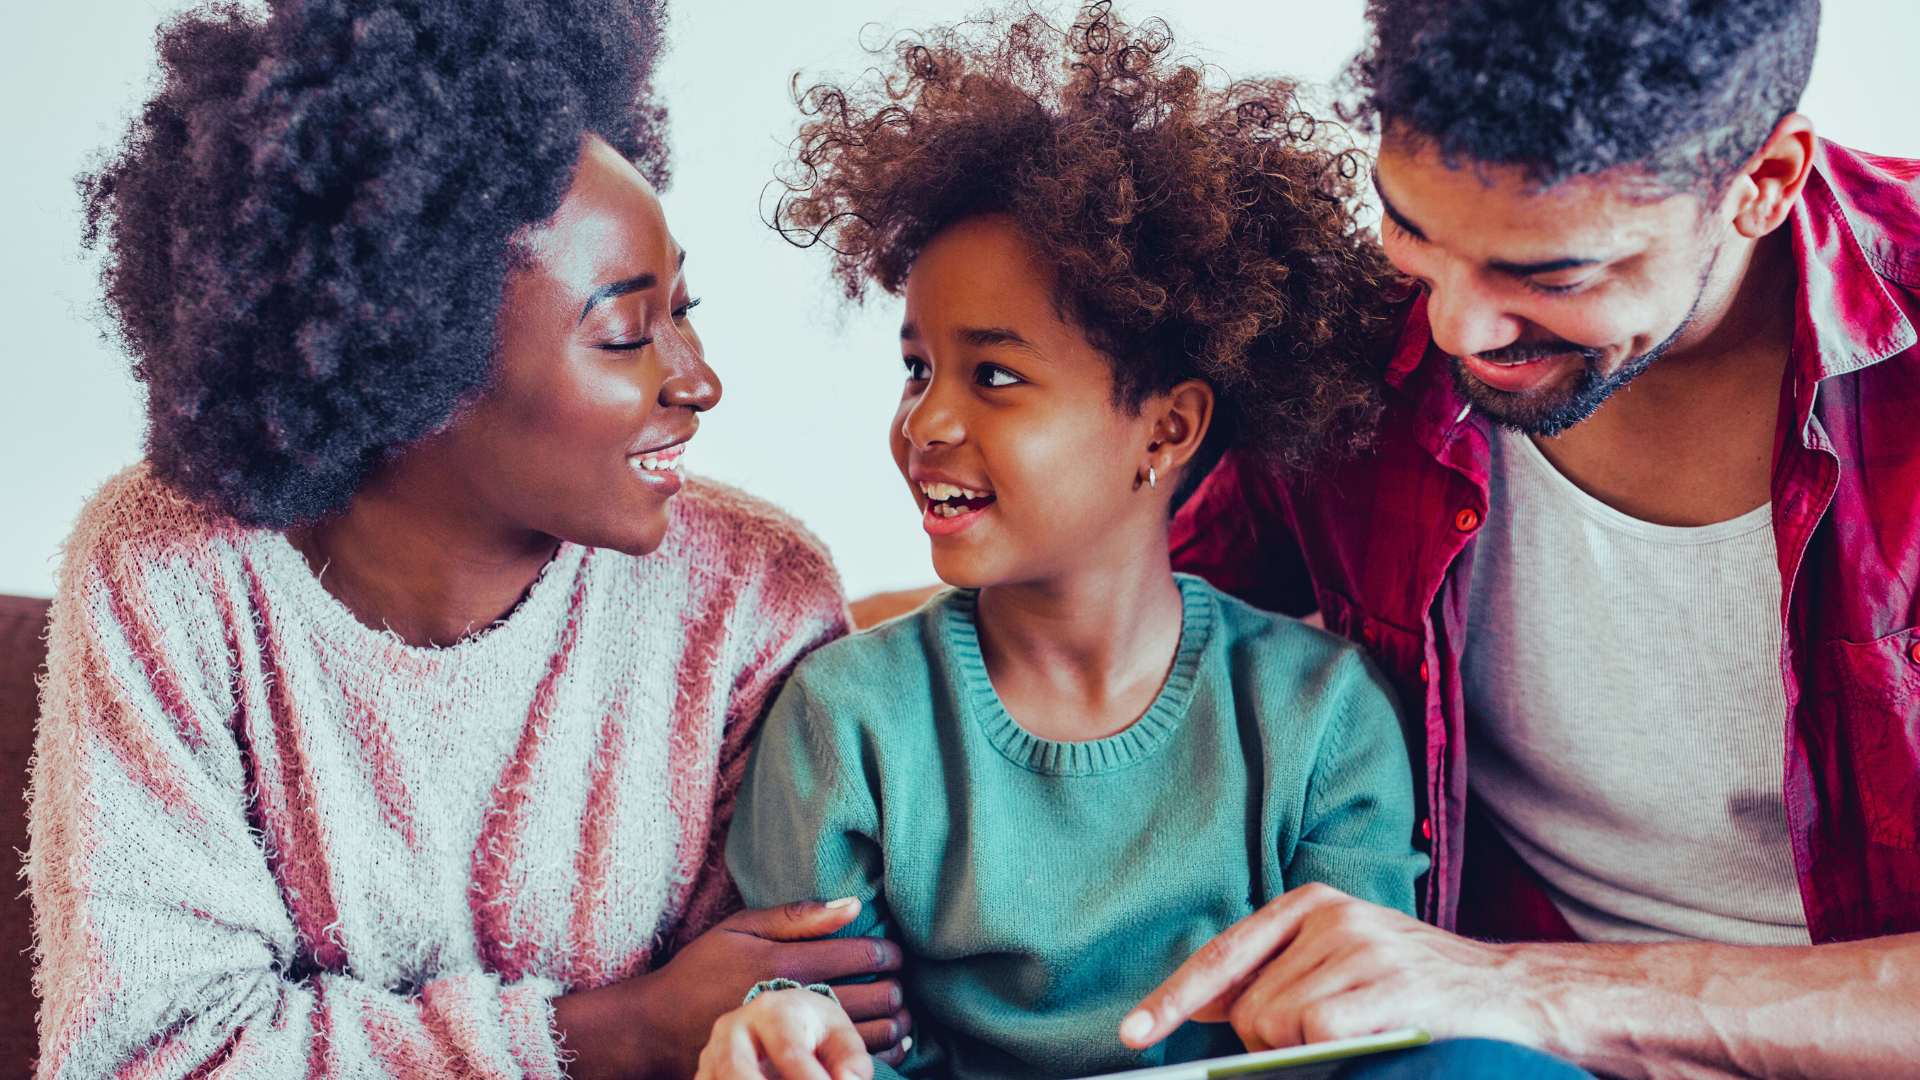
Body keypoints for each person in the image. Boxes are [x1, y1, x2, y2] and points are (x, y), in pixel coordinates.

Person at [693, 8, 1584, 1080]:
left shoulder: (1322, 717)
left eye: (997, 376)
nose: (927, 423)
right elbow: (819, 1021)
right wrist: (785, 1028)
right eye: (918, 368)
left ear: (1167, 429)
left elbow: (1363, 1031)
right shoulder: (845, 720)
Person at [29, 1, 913, 1076]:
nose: (698, 379)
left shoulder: (750, 598)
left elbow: (766, 1031)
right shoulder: (171, 572)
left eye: (686, 308)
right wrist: (618, 1031)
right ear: (419, 363)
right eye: (629, 332)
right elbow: (149, 1052)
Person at [1121, 0, 1920, 1076]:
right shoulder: (1358, 336)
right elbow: (1097, 627)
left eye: (1554, 276)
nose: (1454, 329)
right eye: (1412, 228)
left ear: (1762, 184)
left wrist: (1524, 988)